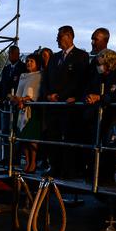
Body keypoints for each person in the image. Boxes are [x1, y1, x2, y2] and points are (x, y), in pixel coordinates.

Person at [43, 25, 90, 177]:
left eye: (60, 37)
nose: (57, 40)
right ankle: (54, 166)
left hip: (68, 105)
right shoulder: (55, 58)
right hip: (53, 105)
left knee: (69, 137)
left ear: (69, 36)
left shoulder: (81, 56)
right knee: (53, 137)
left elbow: (80, 80)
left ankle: (69, 169)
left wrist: (64, 96)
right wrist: (48, 95)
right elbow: (46, 79)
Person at [86, 48, 116, 186]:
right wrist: (89, 96)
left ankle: (108, 178)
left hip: (115, 117)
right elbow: (90, 88)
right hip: (101, 117)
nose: (98, 66)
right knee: (97, 147)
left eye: (101, 62)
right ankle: (95, 176)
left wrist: (100, 97)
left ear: (109, 62)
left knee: (110, 149)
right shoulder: (98, 75)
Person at [12, 53, 43, 173]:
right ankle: (28, 161)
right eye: (27, 61)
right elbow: (20, 91)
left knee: (32, 138)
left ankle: (33, 162)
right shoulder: (23, 76)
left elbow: (35, 93)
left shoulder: (39, 75)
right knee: (23, 138)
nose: (29, 63)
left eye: (32, 61)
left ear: (37, 63)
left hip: (32, 110)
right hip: (21, 110)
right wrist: (16, 99)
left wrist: (25, 99)